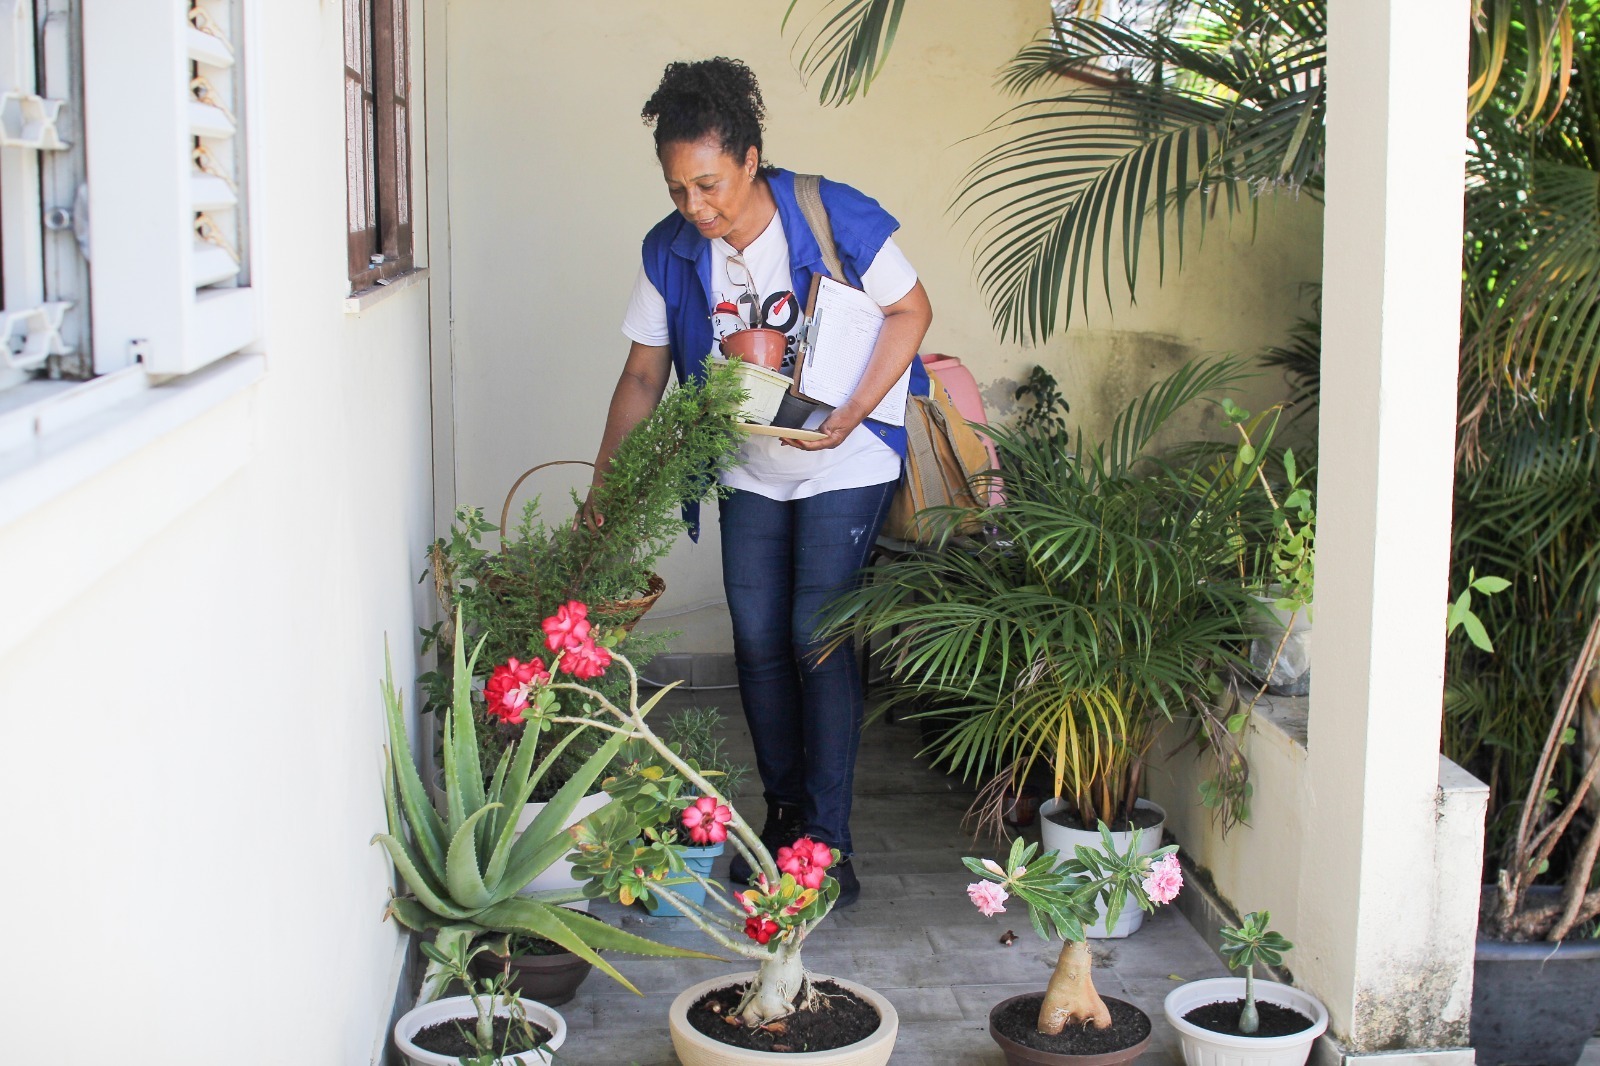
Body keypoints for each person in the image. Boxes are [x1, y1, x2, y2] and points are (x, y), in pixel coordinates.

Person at [589, 57, 933, 908]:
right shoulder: (671, 249)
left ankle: (829, 843)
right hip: (749, 465)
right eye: (678, 189)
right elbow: (642, 375)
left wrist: (852, 412)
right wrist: (605, 489)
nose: (695, 206)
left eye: (708, 184)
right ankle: (783, 819)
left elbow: (911, 310)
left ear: (749, 160)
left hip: (845, 456)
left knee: (817, 633)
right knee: (757, 641)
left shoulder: (828, 211)